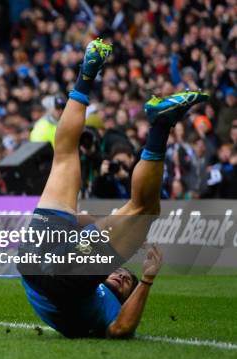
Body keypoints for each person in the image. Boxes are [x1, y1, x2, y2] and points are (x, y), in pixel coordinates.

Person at [19, 39, 208, 338]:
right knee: (66, 155)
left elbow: (122, 328)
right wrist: (108, 224)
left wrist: (145, 279)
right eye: (125, 275)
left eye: (124, 282)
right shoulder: (92, 280)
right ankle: (90, 75)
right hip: (35, 257)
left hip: (46, 267)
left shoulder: (106, 305)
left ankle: (153, 122)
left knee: (142, 209)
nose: (122, 277)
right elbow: (82, 223)